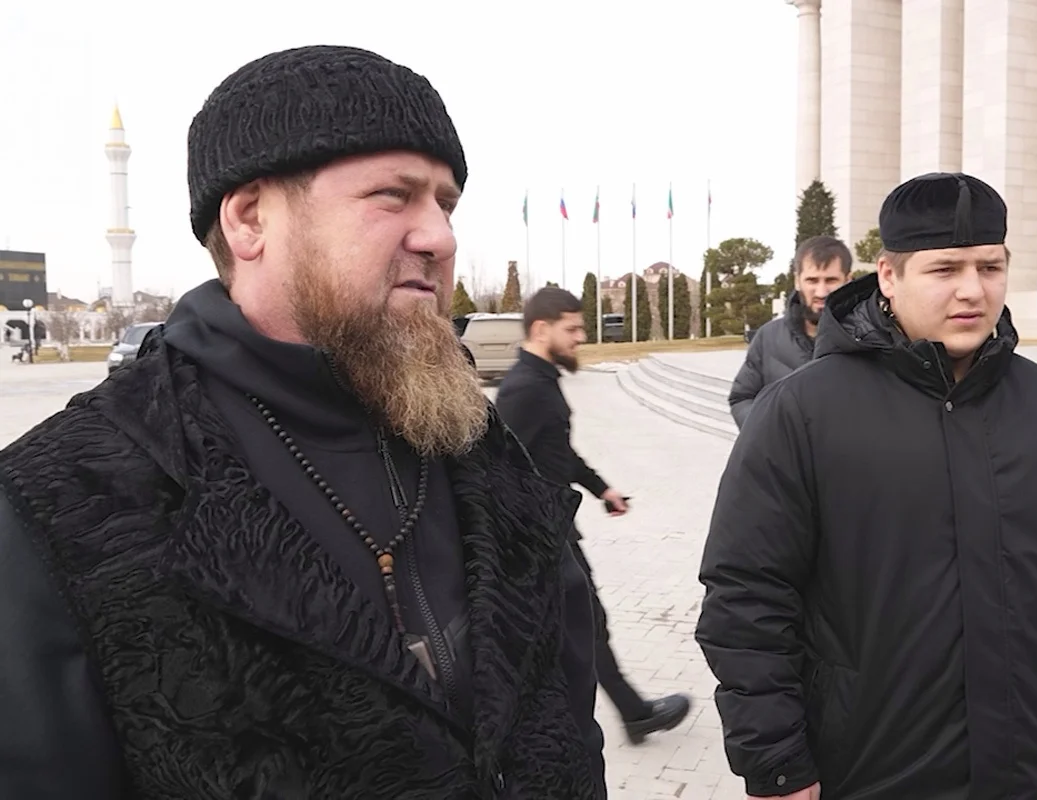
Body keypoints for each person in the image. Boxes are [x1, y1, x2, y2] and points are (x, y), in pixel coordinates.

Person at [0, 45, 605, 799]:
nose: (440, 237)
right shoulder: (63, 503)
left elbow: (567, 716)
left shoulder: (482, 448)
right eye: (393, 195)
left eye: (445, 203)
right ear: (250, 219)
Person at [695, 172, 1037, 800]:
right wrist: (776, 759)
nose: (973, 290)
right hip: (871, 769)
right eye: (945, 269)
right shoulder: (801, 413)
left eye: (990, 267)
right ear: (889, 276)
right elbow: (746, 595)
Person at [495, 287, 692, 745]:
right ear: (541, 329)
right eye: (572, 329)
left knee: (580, 625)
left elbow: (557, 452)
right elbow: (498, 470)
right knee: (578, 626)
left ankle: (621, 715)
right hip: (541, 539)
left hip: (553, 531)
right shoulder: (523, 391)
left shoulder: (541, 381)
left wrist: (601, 488)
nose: (581, 337)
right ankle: (614, 718)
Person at [728, 235, 852, 428]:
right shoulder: (768, 338)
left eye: (831, 280)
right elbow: (741, 398)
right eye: (812, 280)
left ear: (848, 280)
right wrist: (769, 435)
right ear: (797, 281)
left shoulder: (869, 338)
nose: (821, 292)